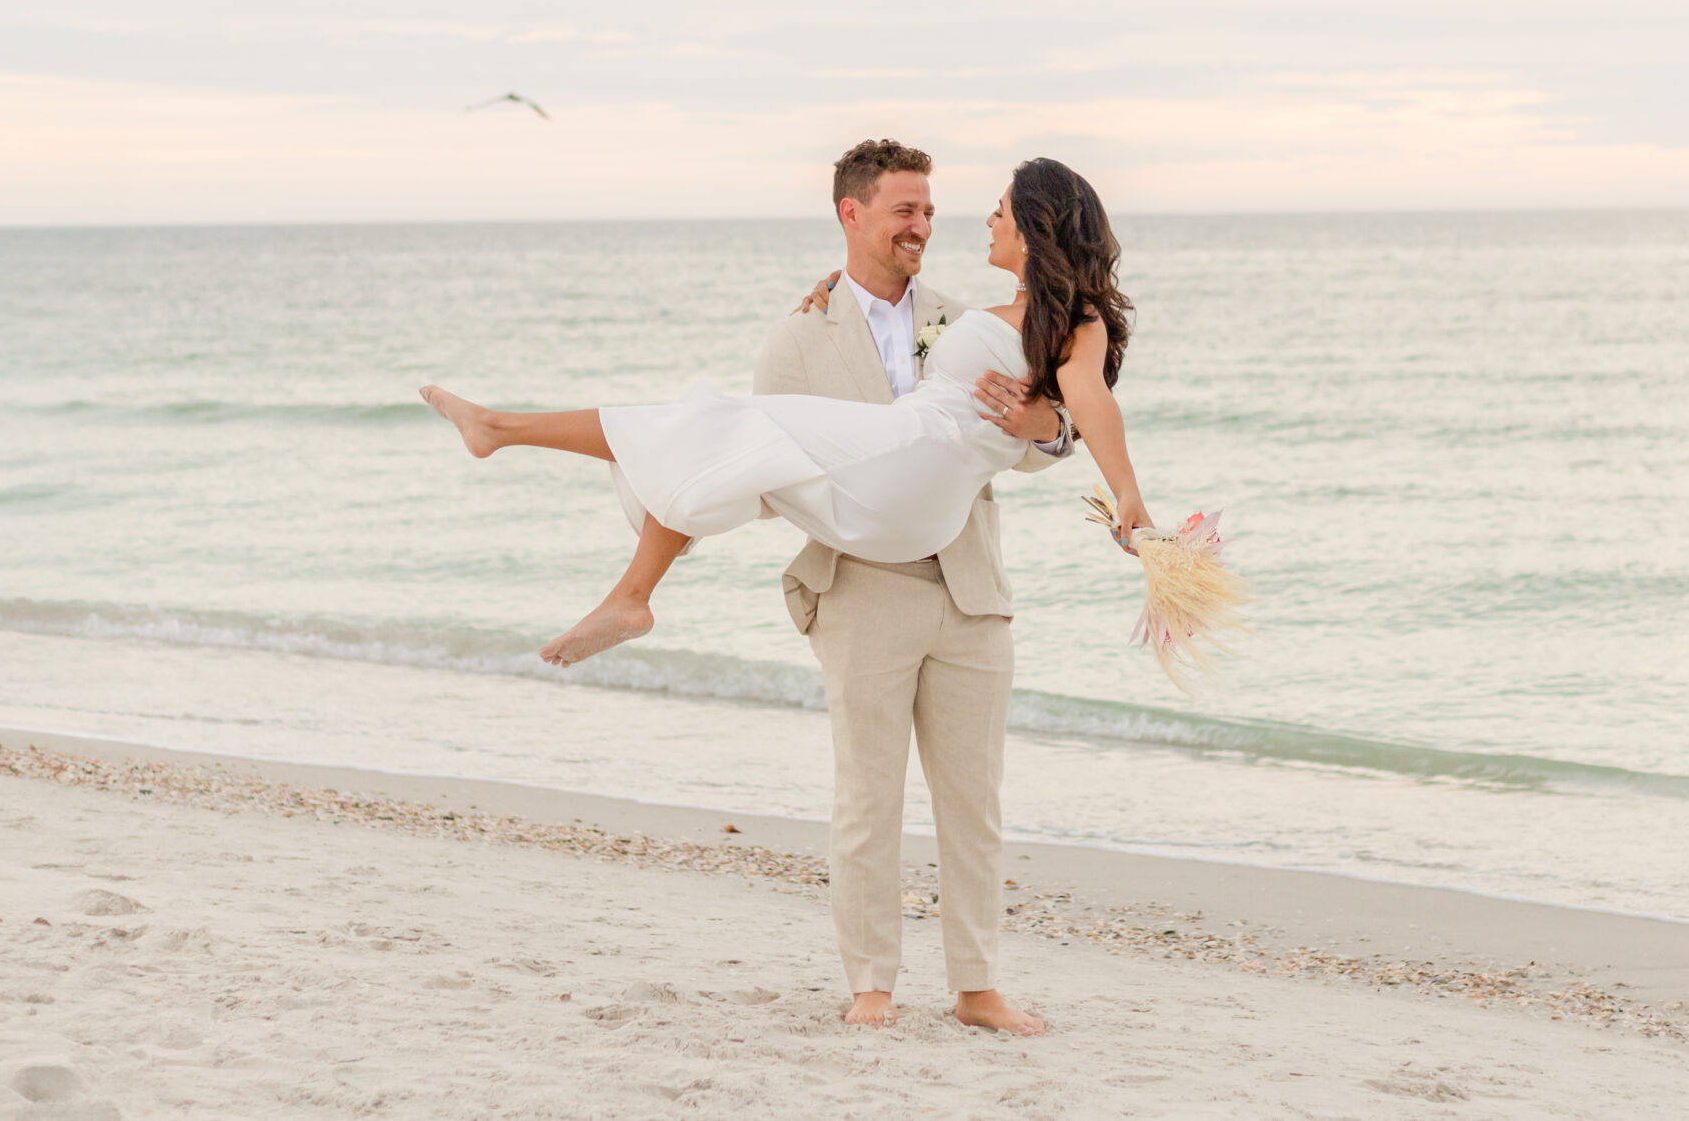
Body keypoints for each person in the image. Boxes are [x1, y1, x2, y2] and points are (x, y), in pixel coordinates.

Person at [418, 146, 1148, 1034]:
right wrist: (1093, 456)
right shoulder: (802, 332)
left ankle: (977, 987)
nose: (936, 224)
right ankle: (871, 985)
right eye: (907, 210)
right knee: (865, 790)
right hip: (867, 556)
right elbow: (766, 474)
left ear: (1034, 229)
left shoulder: (992, 316)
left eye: (954, 208)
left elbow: (1071, 414)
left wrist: (1070, 440)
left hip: (949, 551)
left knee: (973, 799)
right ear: (852, 215)